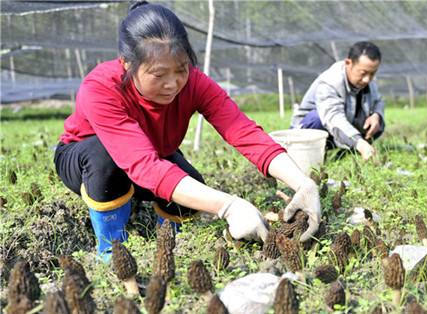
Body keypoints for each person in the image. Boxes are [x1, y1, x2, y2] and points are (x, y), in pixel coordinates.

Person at [53, 1, 320, 262]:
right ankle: (112, 247)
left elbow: (244, 131)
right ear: (126, 63)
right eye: (158, 74)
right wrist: (227, 205)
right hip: (86, 160)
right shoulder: (101, 88)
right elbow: (143, 165)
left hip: (155, 152)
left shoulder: (194, 83)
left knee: (192, 185)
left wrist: (302, 183)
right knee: (105, 160)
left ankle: (170, 237)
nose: (173, 84)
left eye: (181, 69)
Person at [290, 41, 385, 161]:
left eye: (372, 73)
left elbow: (378, 101)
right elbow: (333, 118)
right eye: (363, 73)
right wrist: (360, 143)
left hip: (338, 131)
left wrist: (376, 115)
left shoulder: (367, 82)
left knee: (378, 122)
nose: (367, 79)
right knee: (317, 118)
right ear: (348, 63)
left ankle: (347, 152)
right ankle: (312, 156)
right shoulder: (330, 83)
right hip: (306, 132)